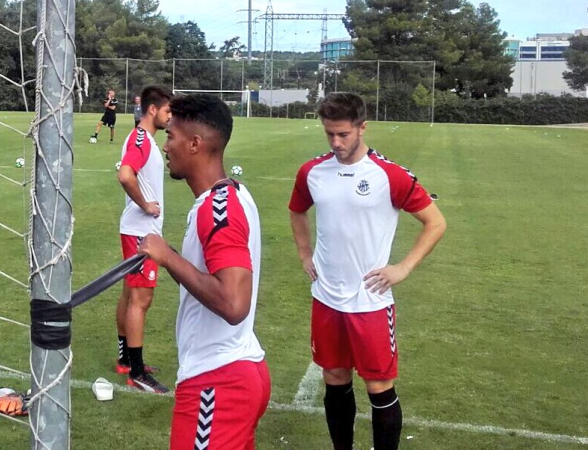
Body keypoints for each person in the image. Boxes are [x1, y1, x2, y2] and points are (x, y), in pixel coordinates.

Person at [288, 92, 446, 450]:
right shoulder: (312, 172)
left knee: (378, 385)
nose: (335, 142)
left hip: (370, 301)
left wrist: (404, 267)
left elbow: (435, 223)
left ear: (362, 128)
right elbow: (297, 210)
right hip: (326, 296)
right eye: (329, 133)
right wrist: (304, 253)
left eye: (343, 134)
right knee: (334, 377)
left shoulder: (389, 176)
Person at [138, 94, 270, 449]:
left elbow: (233, 302)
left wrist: (167, 257)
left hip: (218, 381)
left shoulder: (217, 209)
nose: (165, 146)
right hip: (237, 370)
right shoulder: (232, 196)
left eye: (170, 136)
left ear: (195, 144)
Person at [114, 86, 173, 393]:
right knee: (141, 299)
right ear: (153, 110)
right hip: (140, 232)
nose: (170, 117)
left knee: (129, 294)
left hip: (137, 230)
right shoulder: (141, 139)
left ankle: (126, 360)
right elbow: (126, 175)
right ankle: (137, 373)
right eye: (167, 111)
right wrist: (145, 205)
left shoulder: (145, 139)